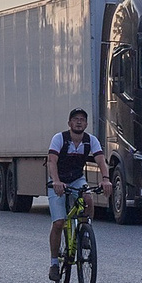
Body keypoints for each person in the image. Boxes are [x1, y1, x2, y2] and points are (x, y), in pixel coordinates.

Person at [47, 108, 101, 260]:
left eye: (82, 119)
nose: (79, 122)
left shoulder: (90, 140)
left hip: (77, 179)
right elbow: (52, 161)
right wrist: (56, 181)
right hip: (58, 179)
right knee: (59, 223)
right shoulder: (59, 138)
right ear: (69, 123)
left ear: (86, 124)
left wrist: (105, 179)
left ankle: (85, 232)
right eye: (75, 119)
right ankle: (54, 263)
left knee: (88, 199)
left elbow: (101, 160)